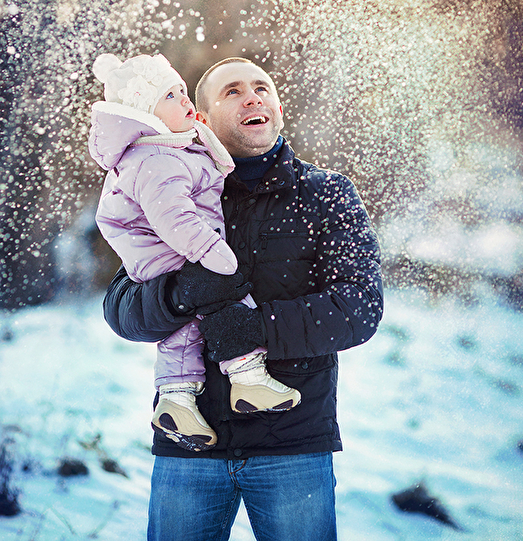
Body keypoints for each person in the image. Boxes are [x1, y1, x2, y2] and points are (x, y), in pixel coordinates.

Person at [103, 57, 384, 541]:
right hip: (189, 445)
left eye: (262, 88)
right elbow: (121, 307)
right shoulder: (172, 183)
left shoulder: (326, 193)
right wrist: (178, 295)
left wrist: (253, 329)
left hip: (293, 444)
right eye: (232, 91)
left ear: (278, 108)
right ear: (202, 118)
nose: (252, 96)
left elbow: (359, 307)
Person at [89, 53, 301, 452]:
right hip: (173, 251)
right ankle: (247, 376)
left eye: (182, 91)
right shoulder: (157, 158)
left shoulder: (170, 152)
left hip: (295, 441)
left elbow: (356, 308)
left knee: (185, 329)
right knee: (225, 297)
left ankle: (176, 399)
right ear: (145, 113)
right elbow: (172, 218)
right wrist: (206, 255)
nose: (183, 100)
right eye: (170, 96)